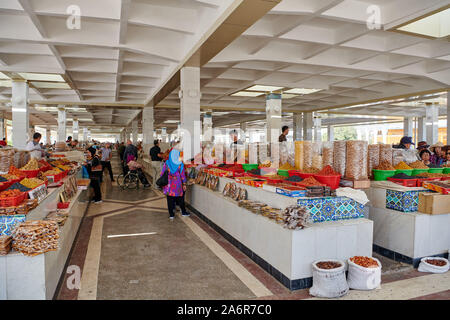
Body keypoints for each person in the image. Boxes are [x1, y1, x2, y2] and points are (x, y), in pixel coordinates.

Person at [160, 149, 189, 220]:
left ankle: (171, 214)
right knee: (180, 198)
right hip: (178, 185)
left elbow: (162, 173)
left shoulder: (167, 163)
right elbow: (182, 176)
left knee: (169, 199)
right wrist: (184, 184)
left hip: (169, 185)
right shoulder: (180, 164)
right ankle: (184, 212)